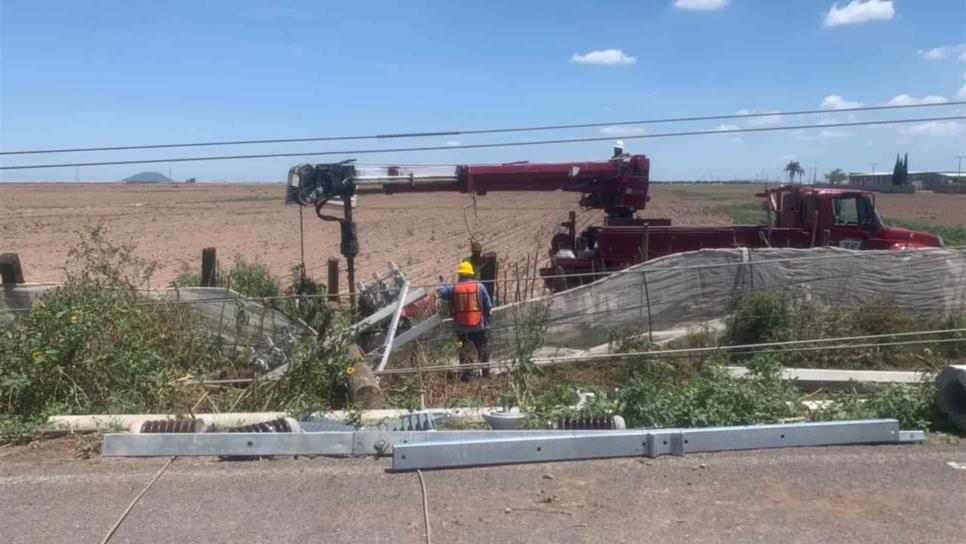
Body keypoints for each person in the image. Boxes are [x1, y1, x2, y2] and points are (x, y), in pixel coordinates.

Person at [437, 261, 492, 380]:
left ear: (460, 274)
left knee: (463, 350)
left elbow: (441, 293)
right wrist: (487, 321)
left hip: (461, 327)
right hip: (478, 325)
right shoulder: (479, 286)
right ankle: (486, 373)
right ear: (471, 274)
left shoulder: (454, 288)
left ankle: (467, 376)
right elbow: (488, 305)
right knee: (483, 348)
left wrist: (443, 284)